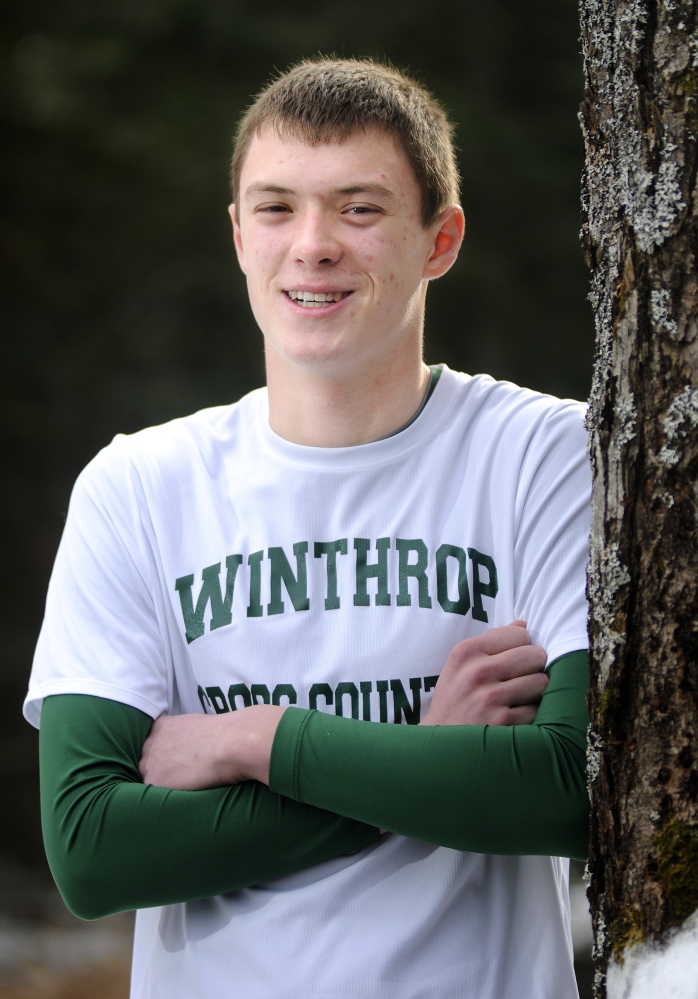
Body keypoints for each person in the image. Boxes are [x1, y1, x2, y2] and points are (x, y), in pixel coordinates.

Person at [25, 58, 591, 999]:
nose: (313, 245)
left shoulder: (543, 452)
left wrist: (262, 737)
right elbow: (91, 852)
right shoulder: (138, 487)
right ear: (239, 235)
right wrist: (421, 749)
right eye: (278, 208)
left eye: (360, 208)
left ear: (439, 240)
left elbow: (570, 788)